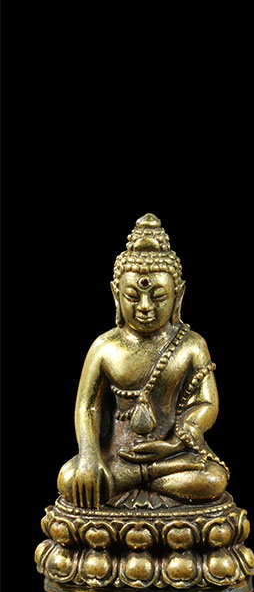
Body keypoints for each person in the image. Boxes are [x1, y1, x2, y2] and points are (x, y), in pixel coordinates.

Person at [57, 213, 228, 509]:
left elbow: (207, 403)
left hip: (174, 454)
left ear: (178, 296)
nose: (145, 307)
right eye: (133, 296)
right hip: (117, 455)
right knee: (69, 478)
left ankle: (137, 477)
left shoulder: (192, 345)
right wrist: (89, 456)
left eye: (158, 296)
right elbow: (87, 406)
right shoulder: (105, 347)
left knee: (213, 480)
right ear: (116, 295)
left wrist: (176, 441)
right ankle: (141, 476)